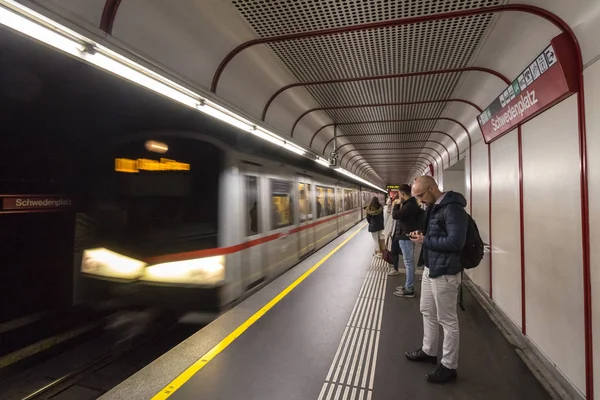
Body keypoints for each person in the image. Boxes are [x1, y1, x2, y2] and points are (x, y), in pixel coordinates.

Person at [405, 176, 468, 383]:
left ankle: (449, 366)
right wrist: (422, 234)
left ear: (432, 189)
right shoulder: (434, 207)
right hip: (431, 268)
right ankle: (429, 351)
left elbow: (456, 241)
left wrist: (425, 240)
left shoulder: (453, 209)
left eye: (421, 195)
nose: (420, 200)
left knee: (447, 320)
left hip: (446, 273)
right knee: (427, 311)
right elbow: (435, 235)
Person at [390, 184, 422, 297]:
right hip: (406, 235)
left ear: (403, 193)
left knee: (408, 263)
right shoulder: (411, 204)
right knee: (409, 262)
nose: (399, 196)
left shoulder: (409, 205)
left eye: (399, 194)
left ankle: (409, 289)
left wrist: (395, 205)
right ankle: (408, 285)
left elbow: (396, 216)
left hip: (405, 236)